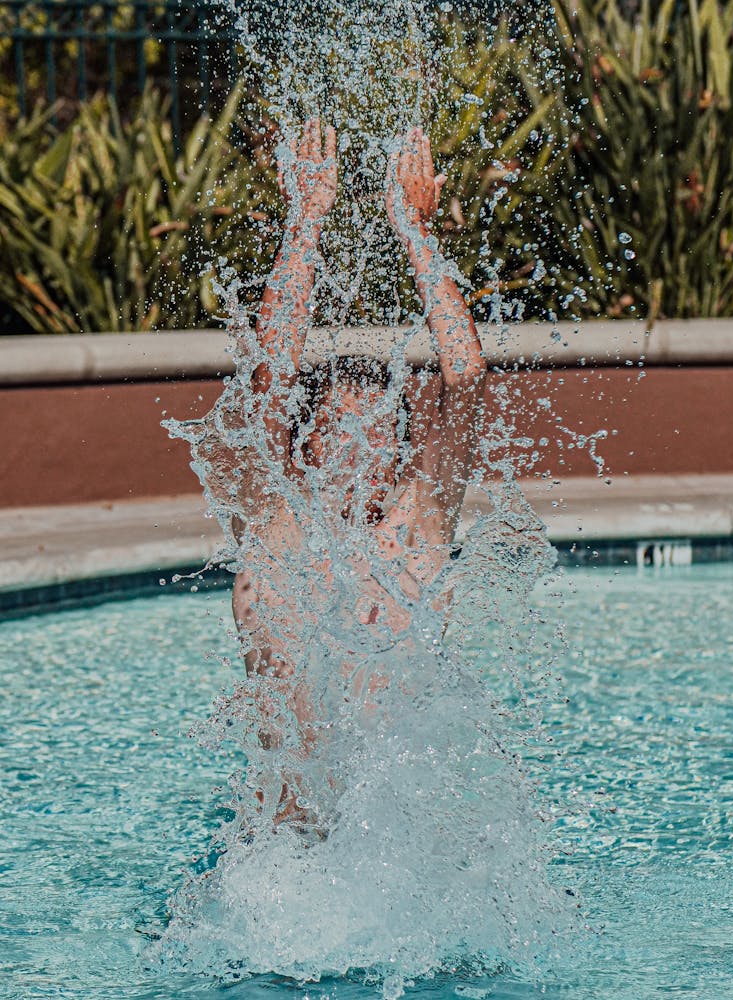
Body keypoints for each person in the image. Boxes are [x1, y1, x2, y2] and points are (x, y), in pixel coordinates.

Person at [229, 118, 487, 826]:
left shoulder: (417, 531)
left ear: (400, 454)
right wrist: (305, 220)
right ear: (302, 448)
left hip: (393, 858)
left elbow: (464, 376)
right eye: (335, 433)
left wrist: (416, 233)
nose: (353, 450)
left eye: (373, 434)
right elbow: (271, 374)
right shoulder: (282, 530)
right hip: (286, 870)